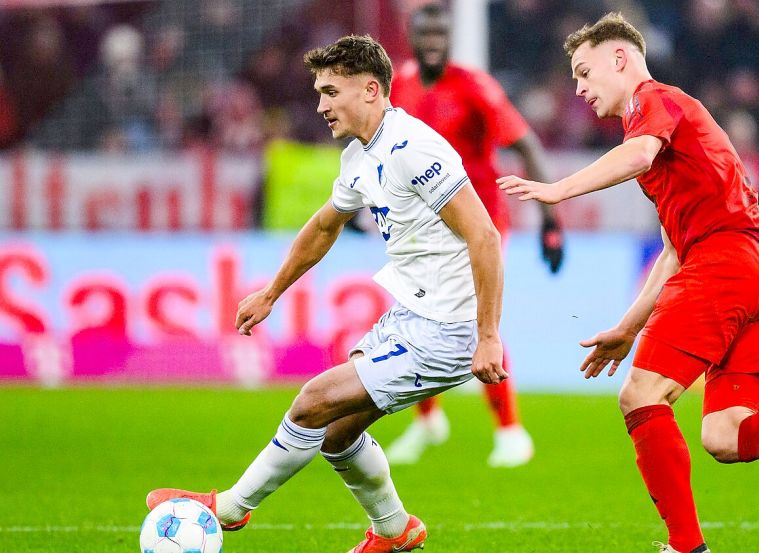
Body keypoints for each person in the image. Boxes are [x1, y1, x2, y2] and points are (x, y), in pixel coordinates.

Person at [498, 13, 759, 553]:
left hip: (724, 264)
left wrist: (559, 190)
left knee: (640, 394)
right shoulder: (669, 132)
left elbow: (640, 157)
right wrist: (628, 328)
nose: (578, 88)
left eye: (584, 72)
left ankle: (686, 547)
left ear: (620, 60)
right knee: (727, 436)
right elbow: (674, 251)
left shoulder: (655, 102)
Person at [146, 34, 506, 553]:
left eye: (330, 91)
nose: (320, 105)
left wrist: (488, 336)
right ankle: (394, 529)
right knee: (337, 433)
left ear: (370, 89)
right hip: (412, 314)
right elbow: (323, 227)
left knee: (312, 401)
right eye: (318, 92)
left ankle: (228, 508)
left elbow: (485, 236)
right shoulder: (360, 157)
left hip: (449, 328)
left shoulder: (414, 149)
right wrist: (272, 292)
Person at [384, 2, 562, 468]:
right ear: (412, 35)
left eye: (441, 34)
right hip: (422, 227)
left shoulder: (474, 86)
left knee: (475, 322)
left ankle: (510, 431)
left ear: (449, 38)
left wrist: (550, 219)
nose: (433, 42)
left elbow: (526, 143)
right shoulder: (398, 84)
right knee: (415, 314)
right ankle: (427, 419)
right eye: (425, 34)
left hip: (478, 225)